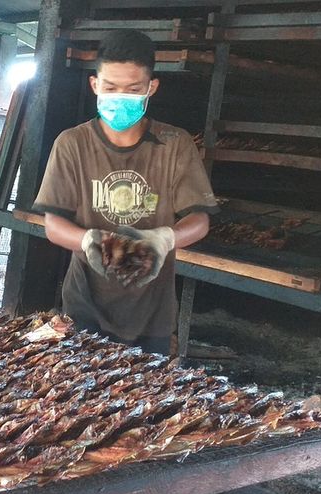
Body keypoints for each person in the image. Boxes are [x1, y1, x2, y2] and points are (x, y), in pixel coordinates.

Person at [32, 29, 219, 355]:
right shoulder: (72, 144)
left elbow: (200, 220)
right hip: (84, 307)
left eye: (133, 90)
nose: (121, 96)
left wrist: (165, 239)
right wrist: (89, 241)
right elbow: (53, 225)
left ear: (151, 88)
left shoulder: (175, 144)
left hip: (153, 315)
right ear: (95, 86)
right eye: (110, 87)